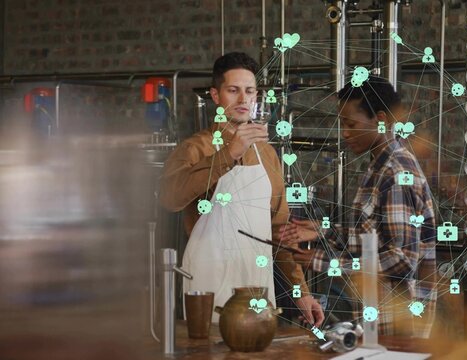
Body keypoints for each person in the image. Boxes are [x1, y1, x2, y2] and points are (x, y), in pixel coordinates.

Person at [159, 52, 323, 327]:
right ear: (215, 96)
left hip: (257, 278)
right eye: (233, 90)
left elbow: (280, 230)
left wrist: (301, 294)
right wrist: (229, 152)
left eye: (249, 91)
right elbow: (169, 199)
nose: (243, 99)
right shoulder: (195, 148)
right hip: (209, 278)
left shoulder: (267, 153)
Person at [279, 76, 436, 338]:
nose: (346, 133)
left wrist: (325, 262)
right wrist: (323, 232)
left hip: (400, 324)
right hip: (381, 320)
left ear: (381, 119)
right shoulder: (380, 165)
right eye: (342, 124)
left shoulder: (395, 172)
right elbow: (375, 239)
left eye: (351, 124)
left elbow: (401, 261)